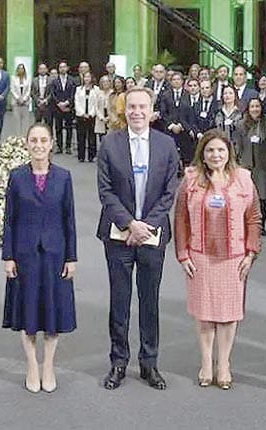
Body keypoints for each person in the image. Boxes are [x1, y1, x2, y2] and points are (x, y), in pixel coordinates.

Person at [97, 87, 180, 391]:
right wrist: (130, 223)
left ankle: (149, 363)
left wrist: (146, 226)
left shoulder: (166, 145)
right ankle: (118, 361)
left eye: (142, 107)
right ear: (124, 110)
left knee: (149, 301)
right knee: (119, 302)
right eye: (131, 107)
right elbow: (105, 191)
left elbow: (170, 191)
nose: (136, 112)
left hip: (152, 236)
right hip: (118, 235)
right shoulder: (109, 143)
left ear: (152, 110)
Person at [174, 129, 261, 389]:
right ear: (203, 152)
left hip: (233, 258)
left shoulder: (243, 179)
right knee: (205, 314)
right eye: (210, 150)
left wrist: (251, 252)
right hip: (200, 257)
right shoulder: (190, 179)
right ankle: (205, 363)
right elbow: (180, 218)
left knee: (228, 314)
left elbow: (254, 218)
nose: (215, 155)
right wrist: (182, 254)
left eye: (221, 150)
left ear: (229, 153)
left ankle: (224, 364)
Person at [2, 124, 77, 393]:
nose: (38, 145)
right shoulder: (17, 177)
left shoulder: (64, 177)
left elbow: (70, 219)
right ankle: (32, 364)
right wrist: (8, 256)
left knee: (53, 312)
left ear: (51, 144)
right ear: (27, 144)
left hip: (56, 254)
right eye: (33, 140)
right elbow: (9, 220)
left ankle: (49, 365)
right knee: (29, 312)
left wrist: (71, 257)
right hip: (25, 254)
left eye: (43, 140)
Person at [236, 98, 266, 233]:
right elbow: (238, 144)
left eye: (257, 106)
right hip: (246, 164)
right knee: (246, 196)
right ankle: (246, 223)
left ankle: (261, 224)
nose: (255, 109)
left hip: (263, 165)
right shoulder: (241, 124)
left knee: (263, 197)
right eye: (252, 106)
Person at [160, 71, 197, 169]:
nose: (176, 82)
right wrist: (172, 125)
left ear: (182, 81)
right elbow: (163, 113)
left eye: (178, 79)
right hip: (169, 130)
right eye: (174, 80)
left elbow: (191, 113)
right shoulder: (165, 95)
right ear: (171, 81)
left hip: (184, 129)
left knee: (186, 156)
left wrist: (182, 125)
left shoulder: (188, 95)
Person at [51, 61, 76, 154]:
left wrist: (67, 103)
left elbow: (73, 94)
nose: (62, 69)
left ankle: (68, 146)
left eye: (64, 67)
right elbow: (53, 94)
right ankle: (59, 146)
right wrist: (59, 103)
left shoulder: (72, 80)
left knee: (69, 127)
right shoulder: (54, 81)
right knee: (58, 127)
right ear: (58, 69)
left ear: (67, 68)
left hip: (68, 107)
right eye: (60, 67)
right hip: (58, 108)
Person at [74, 71, 98, 162]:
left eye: (89, 77)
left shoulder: (96, 89)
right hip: (81, 115)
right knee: (81, 136)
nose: (87, 79)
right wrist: (82, 113)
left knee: (92, 136)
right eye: (85, 77)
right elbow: (77, 102)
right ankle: (81, 156)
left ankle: (92, 156)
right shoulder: (78, 89)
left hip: (92, 116)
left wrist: (91, 113)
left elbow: (96, 103)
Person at [10, 64, 32, 134]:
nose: (20, 70)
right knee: (16, 122)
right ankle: (17, 138)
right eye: (19, 68)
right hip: (16, 103)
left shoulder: (28, 78)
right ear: (17, 70)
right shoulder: (13, 78)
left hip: (25, 103)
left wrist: (24, 99)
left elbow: (29, 90)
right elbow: (12, 90)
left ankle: (24, 138)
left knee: (25, 121)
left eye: (22, 68)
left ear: (24, 70)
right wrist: (18, 99)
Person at [95, 75, 113, 142]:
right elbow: (96, 107)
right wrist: (101, 117)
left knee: (111, 140)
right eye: (103, 82)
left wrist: (109, 117)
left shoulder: (113, 93)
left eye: (107, 81)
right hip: (101, 118)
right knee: (102, 140)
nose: (105, 83)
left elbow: (115, 107)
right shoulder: (98, 93)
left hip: (111, 118)